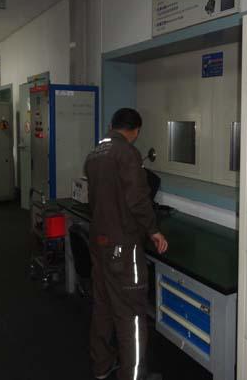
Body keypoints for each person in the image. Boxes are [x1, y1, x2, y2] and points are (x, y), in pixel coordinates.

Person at [84, 108, 168, 380]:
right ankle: (133, 376)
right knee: (131, 313)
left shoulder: (95, 152)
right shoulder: (128, 153)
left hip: (99, 241)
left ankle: (101, 365)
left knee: (103, 306)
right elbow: (137, 200)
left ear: (112, 125)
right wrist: (154, 231)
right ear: (135, 130)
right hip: (122, 247)